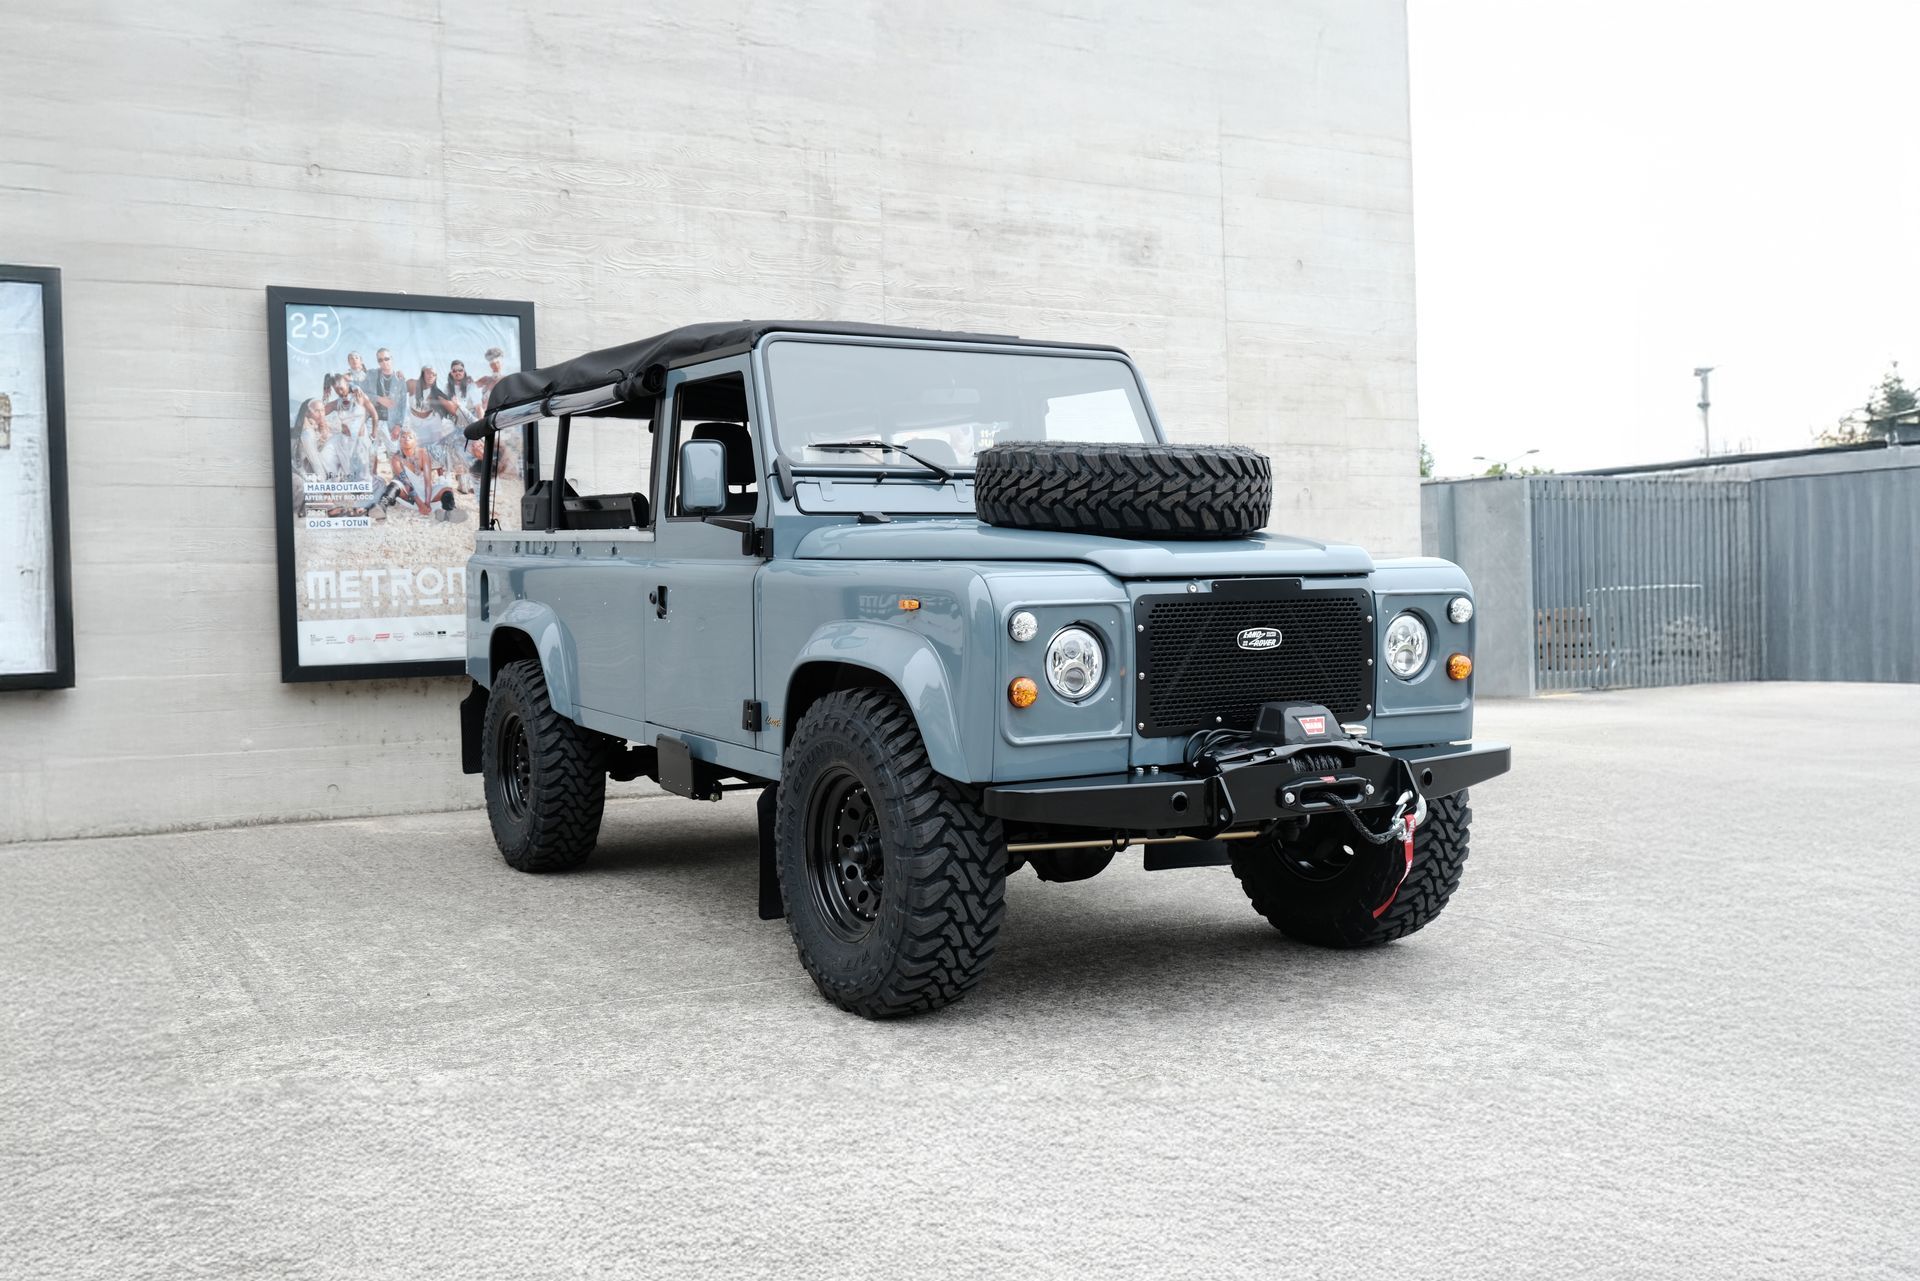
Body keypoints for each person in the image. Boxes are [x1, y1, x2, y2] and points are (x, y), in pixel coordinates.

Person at [366, 347, 409, 445]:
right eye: (380, 360)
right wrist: (379, 399)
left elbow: (403, 405)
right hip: (372, 422)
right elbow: (362, 393)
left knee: (395, 451)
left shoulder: (400, 379)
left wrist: (399, 425)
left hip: (391, 423)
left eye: (386, 359)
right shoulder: (371, 375)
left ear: (391, 359)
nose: (384, 362)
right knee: (369, 452)